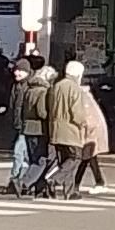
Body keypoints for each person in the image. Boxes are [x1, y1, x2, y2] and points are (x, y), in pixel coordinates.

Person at [45, 56, 104, 197]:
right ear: (78, 74)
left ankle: (70, 191)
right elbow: (76, 112)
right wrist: (84, 123)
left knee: (64, 160)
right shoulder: (75, 89)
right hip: (70, 130)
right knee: (75, 158)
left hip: (56, 128)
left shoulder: (57, 86)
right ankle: (55, 179)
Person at [9, 51, 57, 196]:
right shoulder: (42, 91)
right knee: (41, 159)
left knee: (33, 158)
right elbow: (42, 113)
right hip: (39, 129)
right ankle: (23, 182)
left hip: (27, 128)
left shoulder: (29, 89)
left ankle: (39, 188)